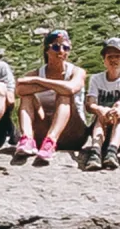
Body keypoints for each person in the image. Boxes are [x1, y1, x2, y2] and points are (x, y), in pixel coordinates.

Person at [15, 30, 88, 162]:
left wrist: (38, 81)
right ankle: (27, 139)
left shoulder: (77, 72)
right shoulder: (36, 73)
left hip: (73, 133)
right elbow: (20, 89)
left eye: (65, 47)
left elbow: (71, 88)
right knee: (27, 96)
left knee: (64, 95)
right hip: (43, 129)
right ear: (47, 50)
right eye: (56, 47)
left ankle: (51, 141)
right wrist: (53, 84)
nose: (61, 51)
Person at [84, 37, 120, 171]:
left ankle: (112, 151)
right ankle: (95, 151)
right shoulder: (96, 79)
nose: (113, 60)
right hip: (104, 126)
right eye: (109, 57)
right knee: (102, 111)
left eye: (118, 56)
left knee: (119, 106)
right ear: (104, 60)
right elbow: (90, 104)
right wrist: (99, 109)